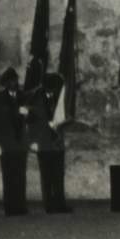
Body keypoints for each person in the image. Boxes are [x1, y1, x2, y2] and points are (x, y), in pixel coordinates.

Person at [27, 73, 72, 214]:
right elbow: (31, 123)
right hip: (44, 143)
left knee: (59, 175)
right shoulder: (36, 98)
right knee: (47, 176)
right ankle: (49, 205)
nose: (56, 91)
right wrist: (33, 141)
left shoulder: (59, 99)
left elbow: (65, 117)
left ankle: (60, 203)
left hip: (57, 143)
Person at [0, 67, 29, 216]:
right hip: (6, 143)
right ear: (6, 83)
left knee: (21, 176)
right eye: (11, 81)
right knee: (9, 176)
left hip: (20, 143)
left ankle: (20, 206)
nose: (15, 83)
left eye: (16, 80)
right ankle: (10, 207)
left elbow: (32, 119)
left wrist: (28, 113)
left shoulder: (24, 97)